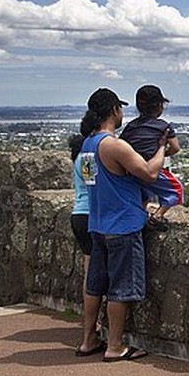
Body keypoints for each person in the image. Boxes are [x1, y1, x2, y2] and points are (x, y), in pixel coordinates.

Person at [79, 87, 167, 362]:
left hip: (98, 222)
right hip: (122, 225)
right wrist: (162, 146)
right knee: (120, 287)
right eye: (120, 108)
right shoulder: (113, 145)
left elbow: (92, 182)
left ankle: (88, 339)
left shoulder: (87, 146)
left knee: (95, 285)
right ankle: (115, 345)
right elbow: (150, 173)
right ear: (114, 110)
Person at [119, 84, 183, 231]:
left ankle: (140, 217)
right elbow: (175, 147)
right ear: (160, 105)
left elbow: (122, 146)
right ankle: (157, 216)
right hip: (152, 168)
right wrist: (162, 154)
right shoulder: (163, 127)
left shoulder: (131, 127)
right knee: (176, 190)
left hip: (134, 170)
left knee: (143, 194)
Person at [69, 119, 104, 357]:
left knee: (88, 271)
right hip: (90, 214)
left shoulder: (77, 157)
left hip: (78, 214)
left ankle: (90, 322)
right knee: (94, 275)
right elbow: (93, 184)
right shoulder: (88, 157)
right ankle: (92, 326)